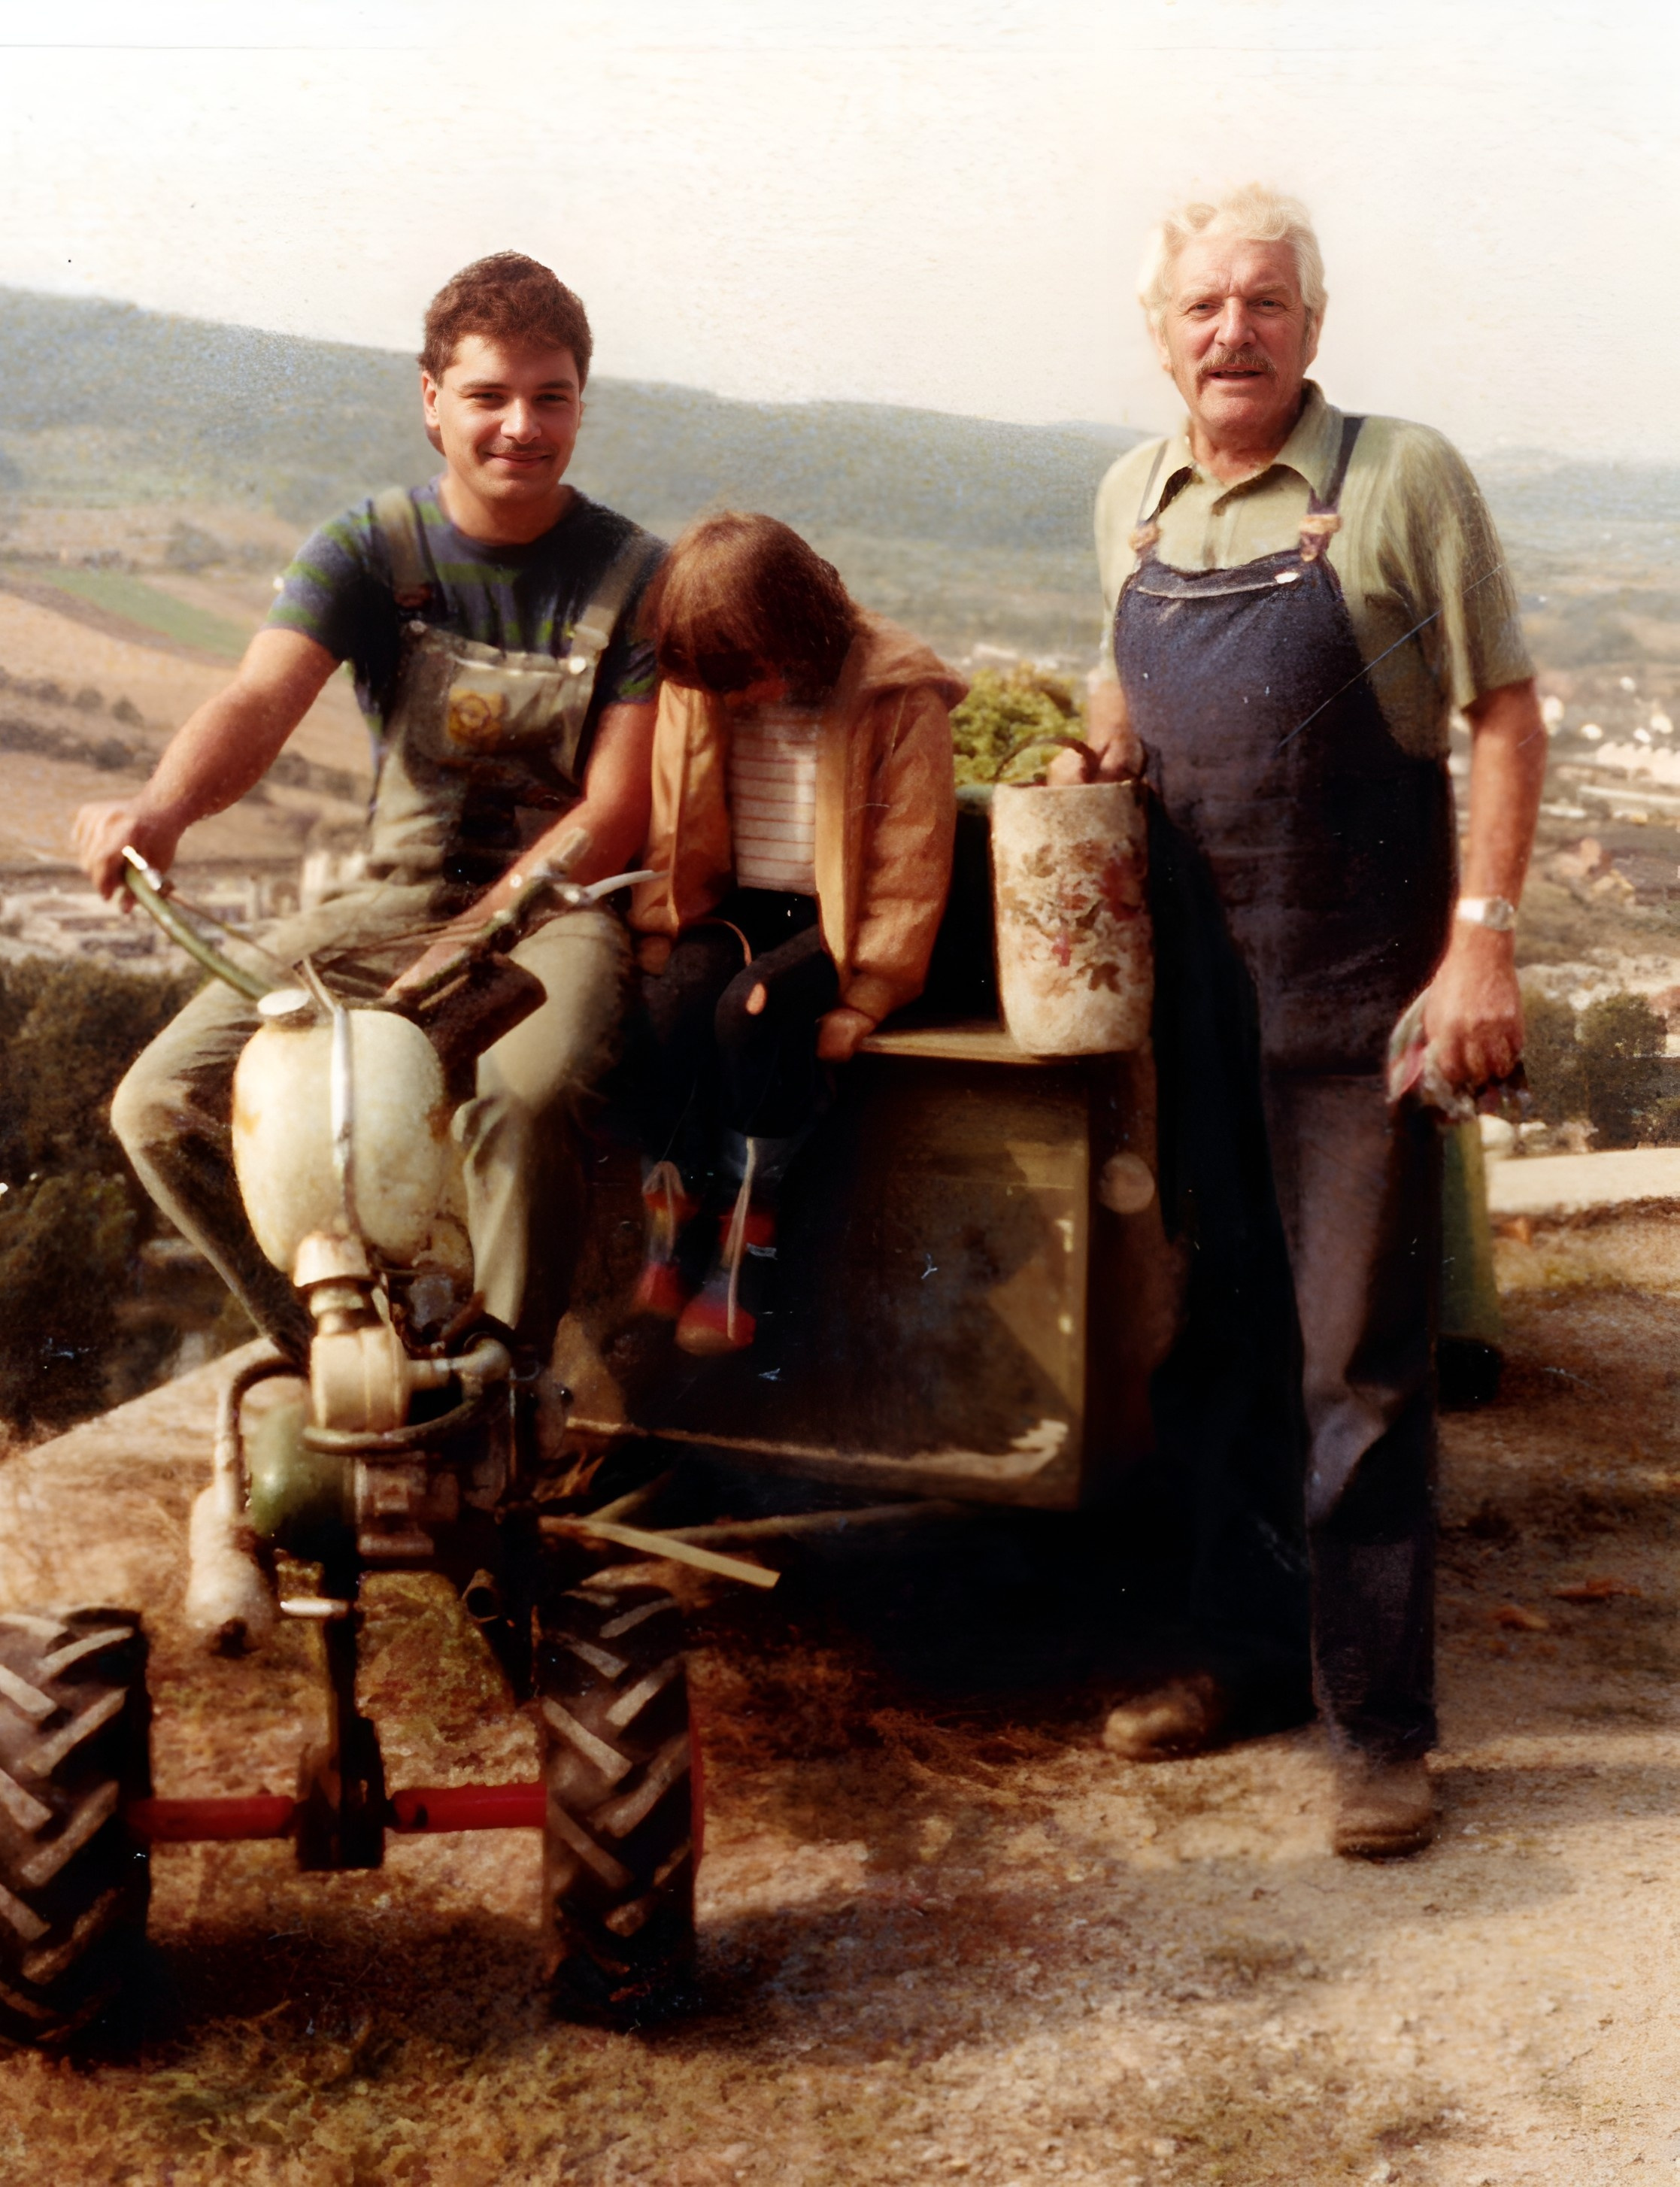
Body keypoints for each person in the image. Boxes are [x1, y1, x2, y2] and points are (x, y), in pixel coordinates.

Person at [1052, 186, 1545, 1858]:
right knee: (1215, 1340)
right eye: (1201, 306)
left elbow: (1502, 713)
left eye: (1264, 302)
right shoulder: (1131, 499)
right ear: (1159, 335)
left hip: (1360, 994)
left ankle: (1379, 1729)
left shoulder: (1396, 480)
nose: (1232, 332)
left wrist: (1479, 948)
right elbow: (1124, 686)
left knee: (1357, 1363)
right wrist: (1098, 750)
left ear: (1311, 327)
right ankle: (1244, 1653)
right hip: (1196, 1002)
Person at [73, 253, 666, 1364]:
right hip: (391, 906)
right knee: (159, 1106)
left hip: (557, 916)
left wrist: (483, 931)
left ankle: (503, 1376)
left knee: (522, 1104)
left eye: (551, 397)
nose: (521, 427)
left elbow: (619, 803)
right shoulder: (367, 548)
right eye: (488, 396)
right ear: (431, 400)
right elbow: (258, 700)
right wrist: (162, 809)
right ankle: (340, 1353)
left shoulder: (634, 575)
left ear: (581, 404)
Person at [624, 513, 963, 1352]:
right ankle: (673, 1211)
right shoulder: (707, 686)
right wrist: (661, 927)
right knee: (667, 1010)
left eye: (751, 677)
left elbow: (911, 858)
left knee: (754, 1011)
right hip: (736, 904)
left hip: (834, 922)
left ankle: (748, 1235)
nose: (741, 700)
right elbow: (674, 821)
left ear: (796, 624)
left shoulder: (894, 692)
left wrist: (870, 993)